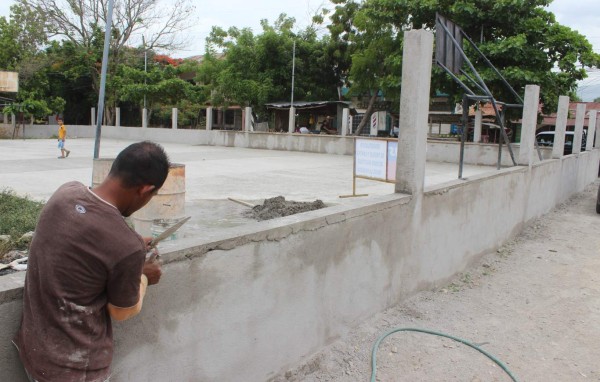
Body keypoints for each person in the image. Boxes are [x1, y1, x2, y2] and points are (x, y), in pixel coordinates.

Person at [13, 141, 170, 382]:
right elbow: (122, 311)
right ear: (145, 190)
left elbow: (83, 235)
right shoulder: (126, 247)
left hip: (34, 351)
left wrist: (131, 243)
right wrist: (145, 276)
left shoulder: (66, 193)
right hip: (76, 371)